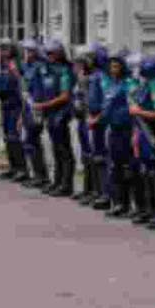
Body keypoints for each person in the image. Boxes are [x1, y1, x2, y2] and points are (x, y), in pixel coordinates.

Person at [129, 54, 155, 229]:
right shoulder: (144, 86)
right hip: (143, 134)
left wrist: (138, 112)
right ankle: (151, 209)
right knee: (147, 173)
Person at [36, 39, 75, 197]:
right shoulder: (47, 69)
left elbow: (65, 96)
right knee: (55, 149)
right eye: (48, 53)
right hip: (50, 113)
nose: (50, 56)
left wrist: (45, 105)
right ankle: (57, 181)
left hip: (61, 113)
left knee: (64, 150)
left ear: (60, 53)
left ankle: (66, 185)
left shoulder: (64, 70)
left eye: (53, 53)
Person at [101, 49, 135, 219]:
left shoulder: (127, 84)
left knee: (127, 167)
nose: (113, 69)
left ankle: (129, 204)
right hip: (112, 129)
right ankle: (118, 202)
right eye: (111, 66)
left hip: (126, 130)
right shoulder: (109, 84)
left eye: (117, 66)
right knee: (114, 166)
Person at [19, 39, 51, 189]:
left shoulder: (40, 67)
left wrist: (41, 109)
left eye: (30, 51)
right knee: (29, 142)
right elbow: (24, 89)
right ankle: (36, 174)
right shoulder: (26, 67)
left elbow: (43, 89)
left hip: (37, 107)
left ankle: (41, 176)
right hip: (27, 107)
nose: (27, 53)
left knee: (33, 140)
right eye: (26, 51)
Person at [0, 39, 27, 182]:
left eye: (5, 49)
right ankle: (13, 167)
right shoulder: (1, 67)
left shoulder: (17, 65)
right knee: (7, 135)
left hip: (16, 104)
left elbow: (23, 83)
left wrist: (15, 72)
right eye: (0, 49)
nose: (2, 52)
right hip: (5, 104)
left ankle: (22, 169)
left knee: (14, 135)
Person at [85, 43, 111, 210]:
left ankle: (107, 194)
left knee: (103, 157)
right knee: (96, 157)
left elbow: (107, 101)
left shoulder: (103, 77)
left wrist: (98, 117)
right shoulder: (94, 76)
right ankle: (98, 191)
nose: (88, 61)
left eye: (91, 57)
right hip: (93, 119)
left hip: (102, 121)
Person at [70, 46, 97, 204]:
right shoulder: (81, 77)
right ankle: (87, 189)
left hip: (90, 118)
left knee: (93, 154)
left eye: (80, 62)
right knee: (85, 154)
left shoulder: (93, 78)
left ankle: (94, 190)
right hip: (81, 118)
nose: (77, 66)